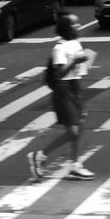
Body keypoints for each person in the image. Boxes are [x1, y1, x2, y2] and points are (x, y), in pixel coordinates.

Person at [26, 13, 97, 180]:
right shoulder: (59, 48)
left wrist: (80, 97)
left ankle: (74, 165)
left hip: (74, 88)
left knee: (78, 129)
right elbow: (59, 74)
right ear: (66, 28)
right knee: (73, 131)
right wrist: (75, 61)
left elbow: (78, 73)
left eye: (78, 23)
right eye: (74, 24)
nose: (78, 26)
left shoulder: (75, 44)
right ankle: (40, 156)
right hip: (62, 90)